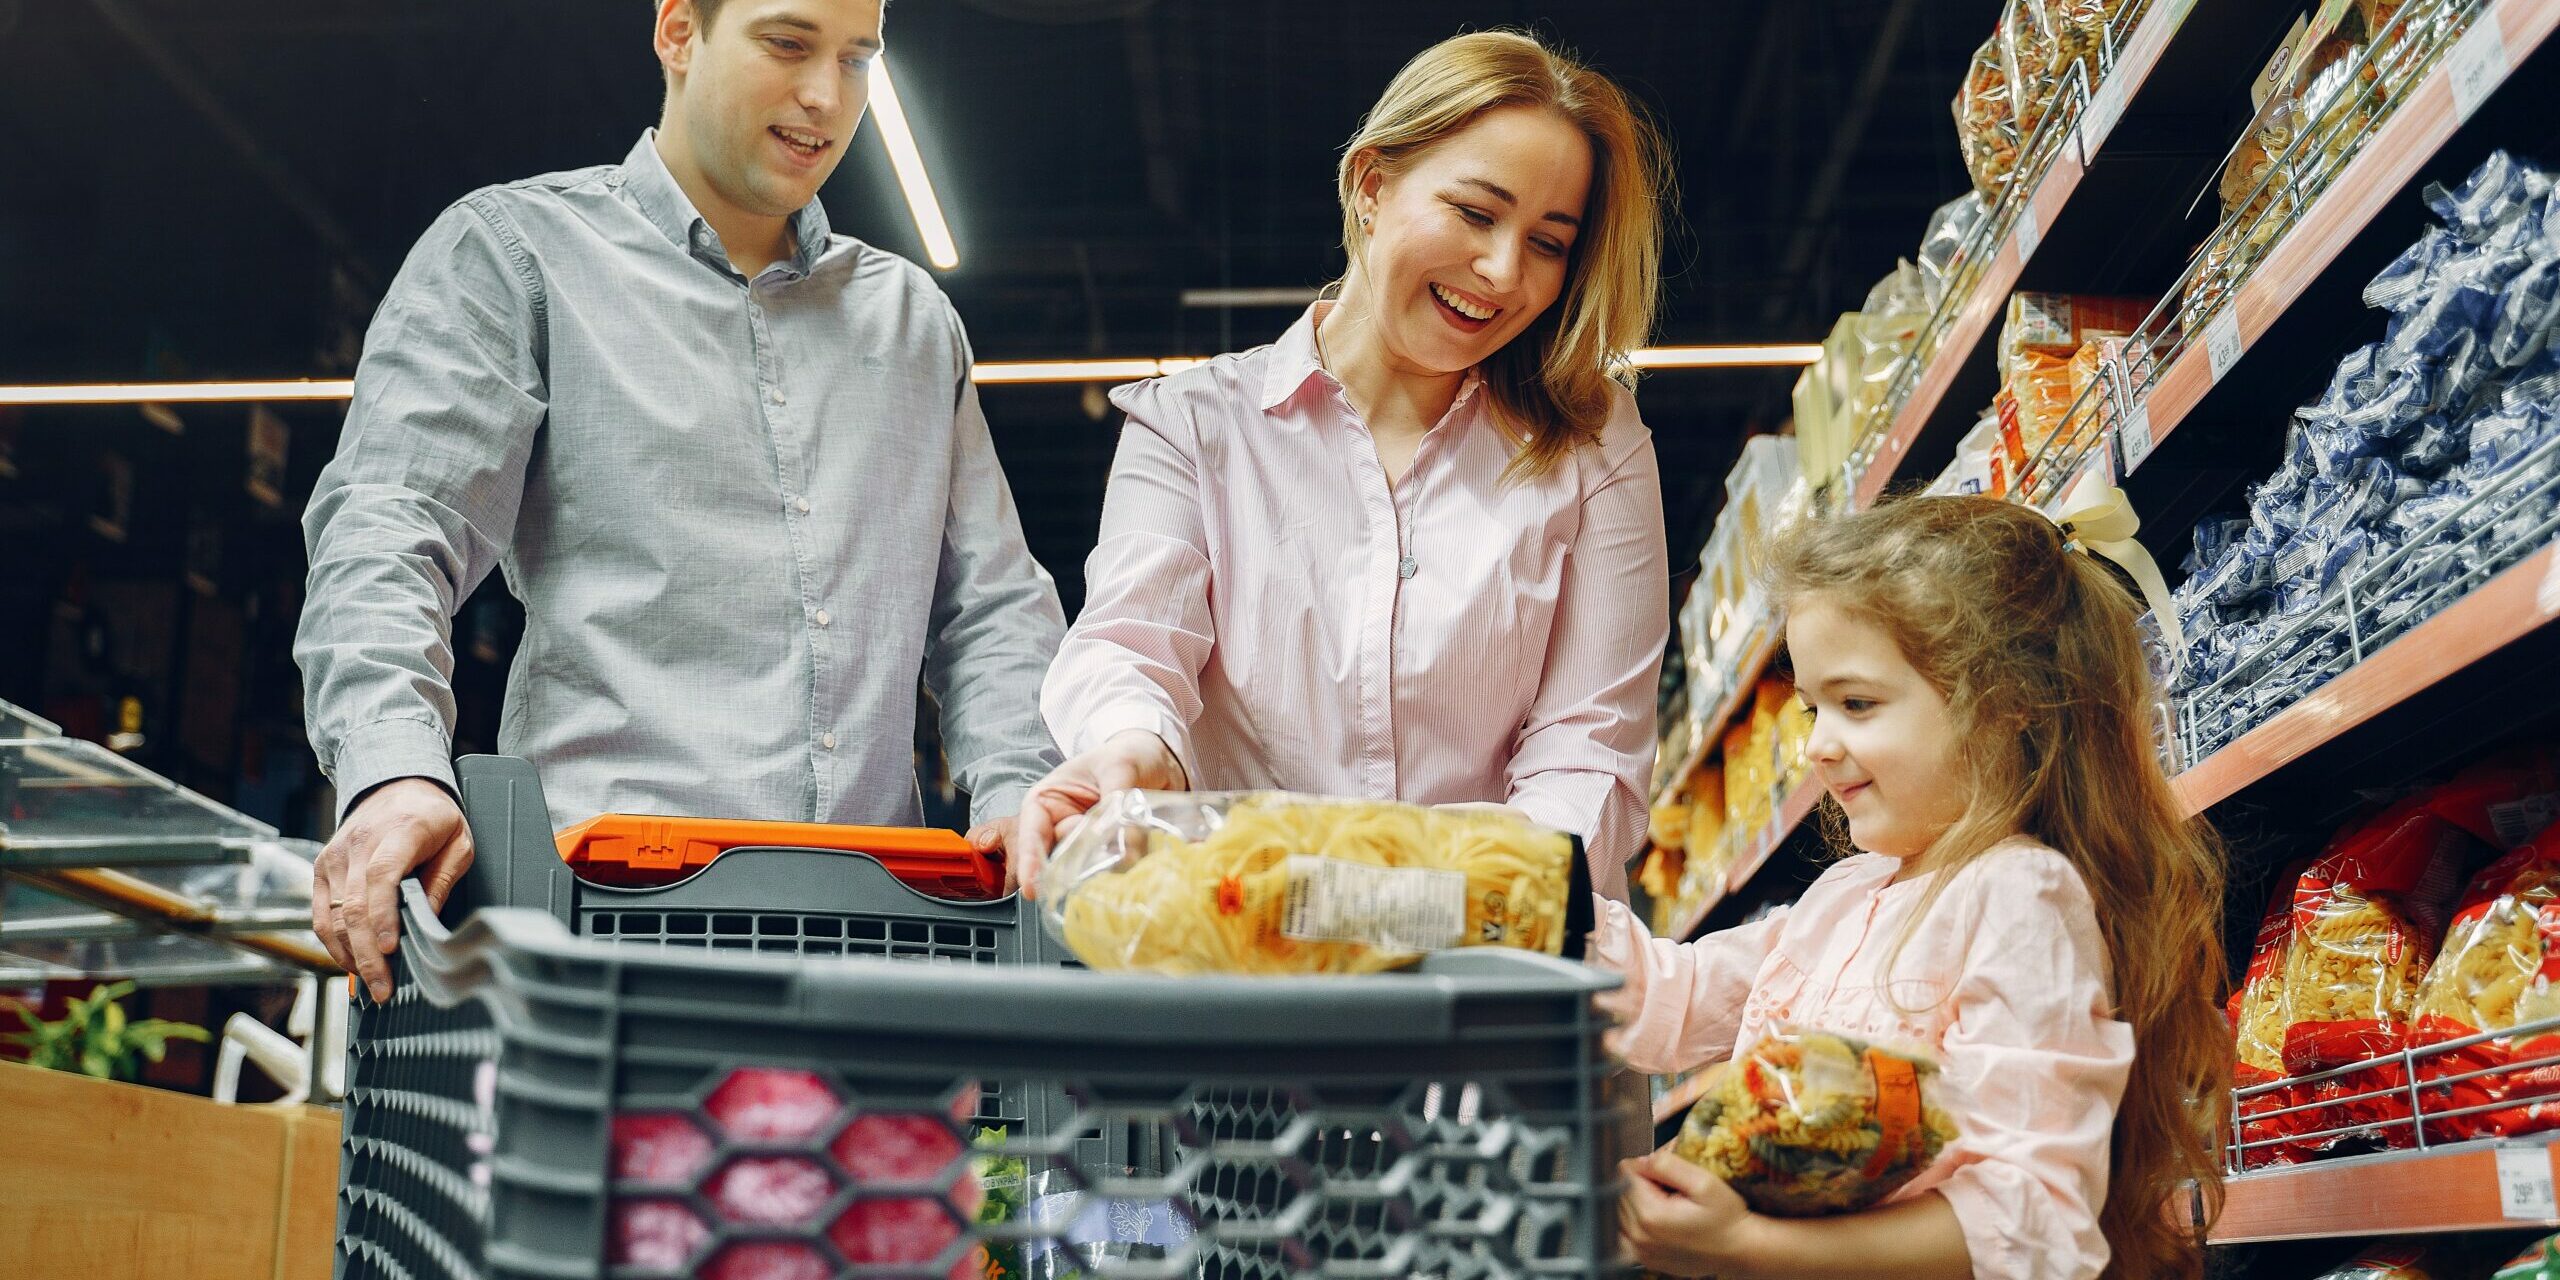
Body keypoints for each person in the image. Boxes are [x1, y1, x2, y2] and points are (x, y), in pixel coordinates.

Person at [294, 0, 1065, 1001]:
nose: (824, 97)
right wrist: (396, 767)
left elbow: (992, 605)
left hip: (877, 956)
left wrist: (1017, 791)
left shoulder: (910, 322)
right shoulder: (519, 256)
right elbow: (392, 527)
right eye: (788, 44)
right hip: (600, 943)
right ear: (677, 32)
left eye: (856, 58)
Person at [1014, 30, 1673, 900]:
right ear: (1372, 185)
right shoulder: (1193, 426)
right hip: (1243, 951)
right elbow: (1132, 645)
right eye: (1476, 213)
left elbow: (1590, 748)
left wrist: (1427, 902)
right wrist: (1133, 752)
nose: (1505, 270)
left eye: (1549, 243)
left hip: (1490, 969)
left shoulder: (1595, 444)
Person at [1601, 496, 2229, 1280]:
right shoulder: (1843, 899)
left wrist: (1748, 1248)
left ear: (2005, 707)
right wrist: (1514, 898)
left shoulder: (2019, 898)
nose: (1820, 747)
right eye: (1811, 709)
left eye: (1857, 704)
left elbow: (2031, 1219)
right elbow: (1676, 997)